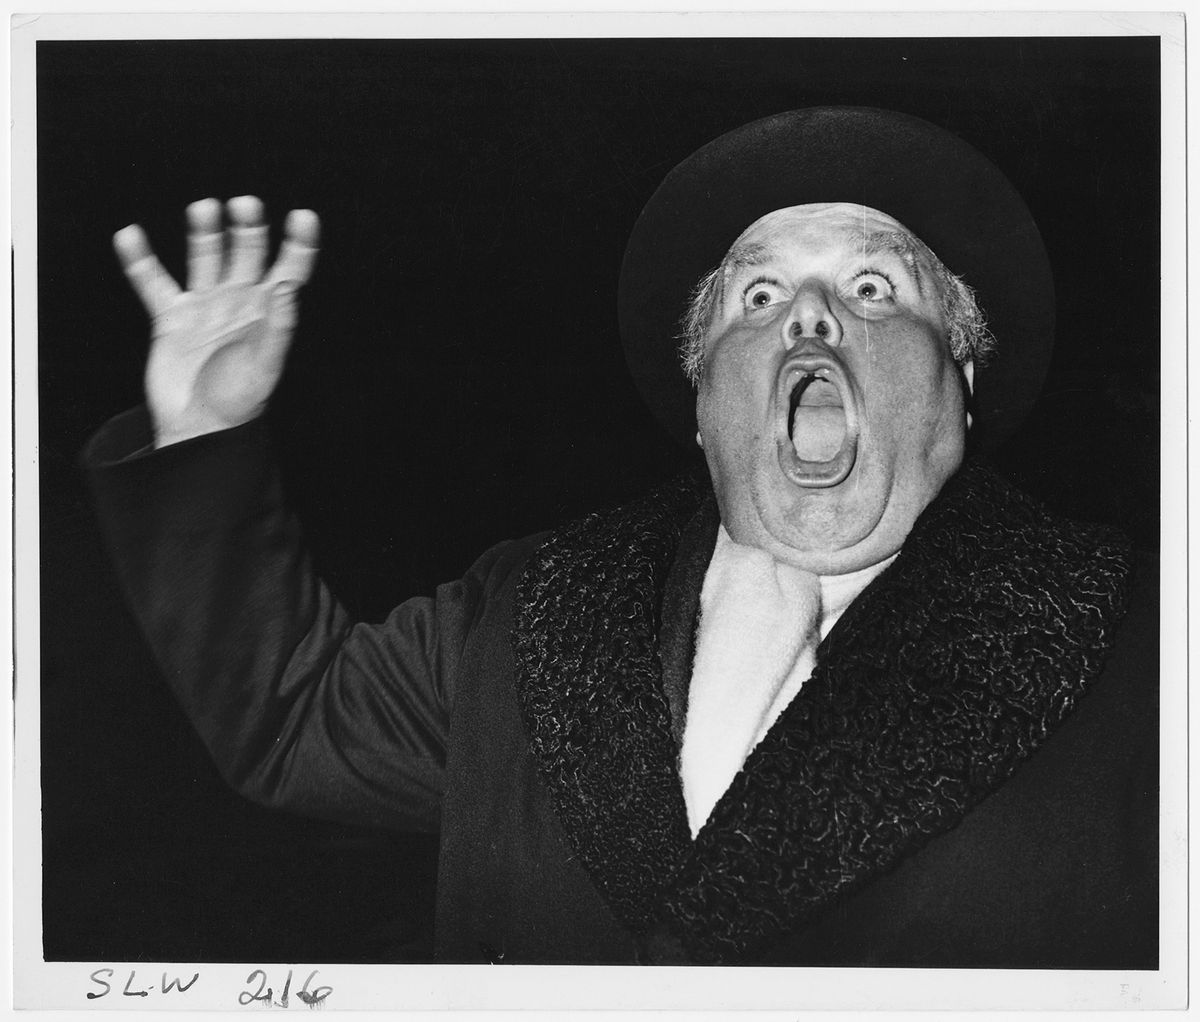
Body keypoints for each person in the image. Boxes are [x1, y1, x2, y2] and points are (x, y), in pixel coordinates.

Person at [85, 107, 1157, 967]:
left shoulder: (1150, 647)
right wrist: (205, 434)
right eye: (758, 293)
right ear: (702, 403)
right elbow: (290, 718)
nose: (810, 318)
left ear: (962, 379)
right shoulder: (524, 613)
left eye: (873, 286)